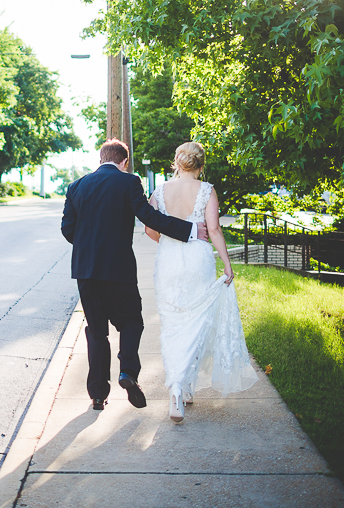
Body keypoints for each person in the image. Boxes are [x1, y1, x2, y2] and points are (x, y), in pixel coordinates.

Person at [61, 139, 208, 411]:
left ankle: (97, 395)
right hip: (118, 270)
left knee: (96, 332)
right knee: (131, 323)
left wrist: (88, 248)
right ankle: (127, 371)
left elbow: (67, 229)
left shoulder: (76, 186)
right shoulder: (129, 183)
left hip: (85, 271)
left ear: (101, 158)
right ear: (124, 162)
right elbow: (149, 217)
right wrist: (190, 231)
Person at [145, 141, 258, 423]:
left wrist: (168, 241)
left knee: (172, 326)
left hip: (169, 262)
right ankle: (182, 386)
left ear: (176, 162)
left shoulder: (159, 191)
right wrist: (227, 264)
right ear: (200, 165)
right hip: (198, 261)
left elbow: (150, 229)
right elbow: (215, 229)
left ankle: (178, 389)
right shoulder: (206, 190)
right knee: (196, 323)